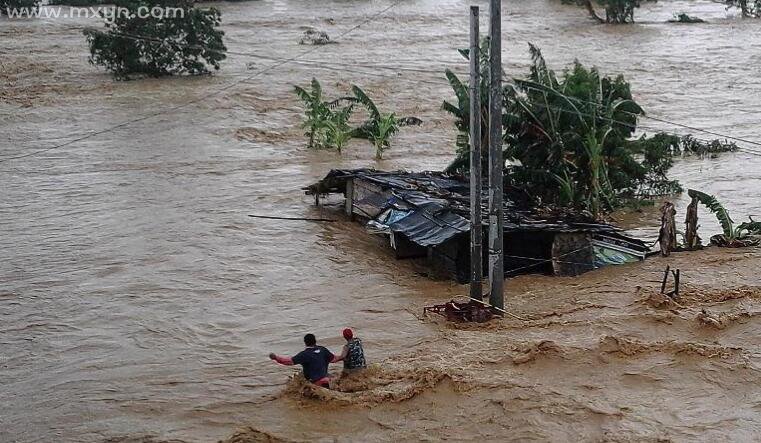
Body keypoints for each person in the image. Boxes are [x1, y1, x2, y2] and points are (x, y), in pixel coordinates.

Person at [269, 333, 341, 387]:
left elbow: (288, 361)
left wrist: (275, 358)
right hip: (327, 379)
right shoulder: (323, 349)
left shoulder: (304, 354)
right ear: (315, 341)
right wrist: (344, 357)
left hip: (315, 383)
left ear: (305, 343)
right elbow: (334, 359)